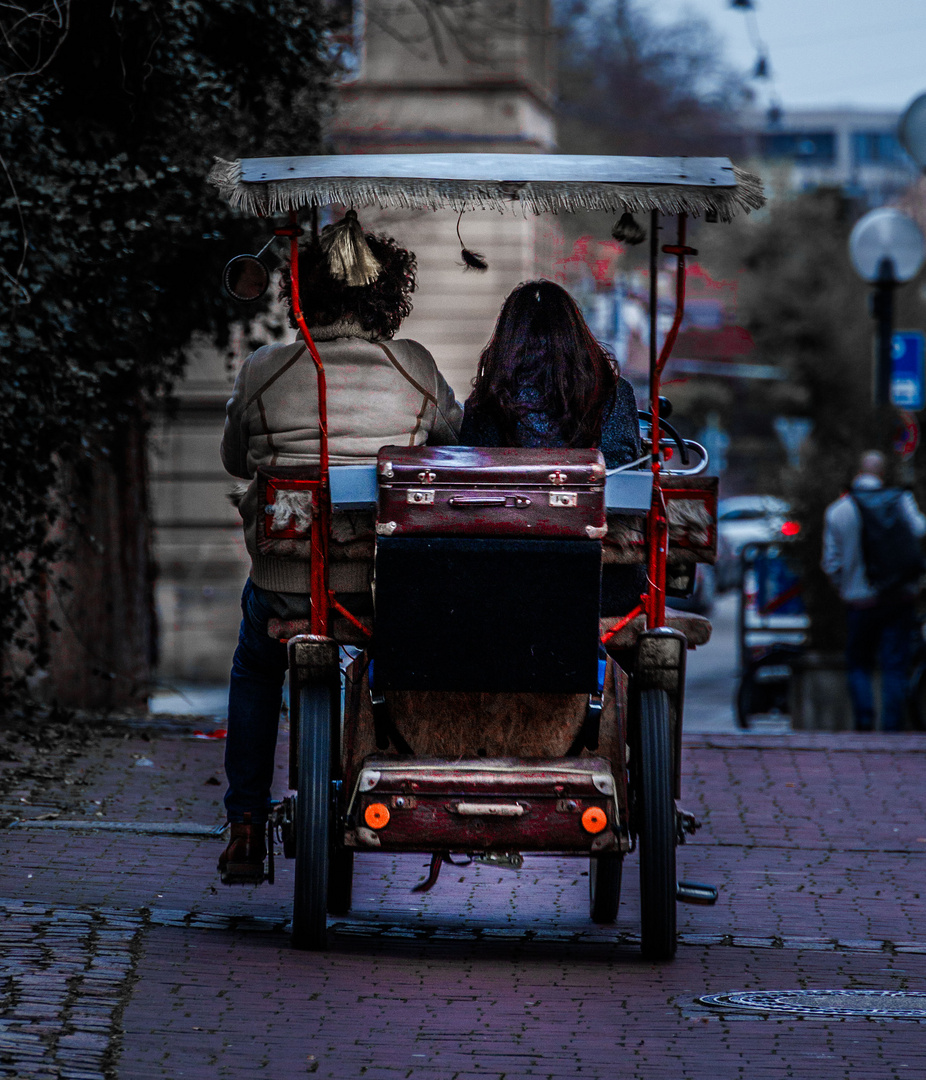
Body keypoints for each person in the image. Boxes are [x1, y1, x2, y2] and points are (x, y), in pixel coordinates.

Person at [218, 212, 462, 883]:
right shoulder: (413, 366)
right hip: (382, 585)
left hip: (286, 579)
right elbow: (449, 439)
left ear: (301, 293)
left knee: (256, 665)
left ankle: (244, 821)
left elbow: (238, 460)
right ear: (388, 296)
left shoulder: (265, 368)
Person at [459, 279, 643, 614]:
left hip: (503, 580)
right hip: (602, 583)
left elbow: (472, 485)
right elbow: (624, 477)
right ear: (577, 334)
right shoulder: (614, 394)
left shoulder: (486, 402)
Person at [821, 450, 926, 732]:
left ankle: (864, 723)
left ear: (859, 472)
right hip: (899, 598)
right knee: (894, 666)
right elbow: (919, 530)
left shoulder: (839, 509)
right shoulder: (900, 501)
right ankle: (891, 729)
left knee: (859, 664)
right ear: (882, 473)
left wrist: (844, 589)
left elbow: (830, 563)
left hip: (859, 601)